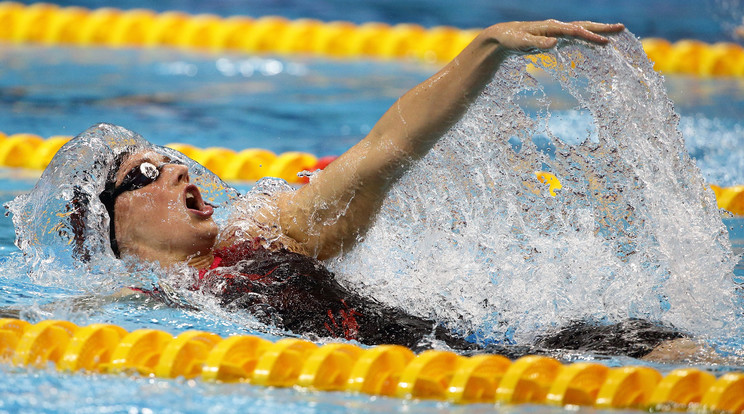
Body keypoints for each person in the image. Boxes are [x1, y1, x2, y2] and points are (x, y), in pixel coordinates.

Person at [14, 19, 707, 360]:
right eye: (144, 173)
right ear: (109, 228)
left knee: (670, 350)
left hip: (488, 365)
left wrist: (485, 51)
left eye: (170, 156)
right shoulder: (128, 310)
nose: (176, 170)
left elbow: (383, 152)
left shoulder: (268, 232)